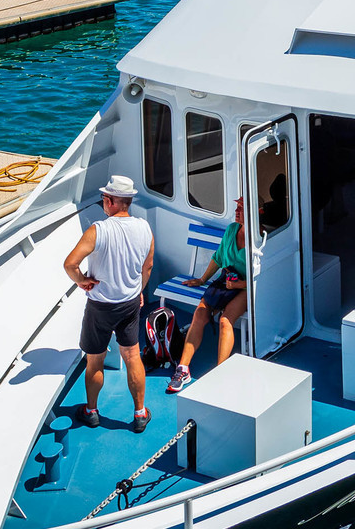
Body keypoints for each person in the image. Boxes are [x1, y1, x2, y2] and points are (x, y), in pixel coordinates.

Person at [64, 174, 156, 429]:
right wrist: (139, 290)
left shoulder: (98, 230)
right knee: (132, 356)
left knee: (95, 359)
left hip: (100, 306)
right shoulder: (145, 228)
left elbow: (70, 264)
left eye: (105, 198)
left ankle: (91, 411)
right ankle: (139, 414)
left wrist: (82, 281)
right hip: (129, 303)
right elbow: (147, 267)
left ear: (112, 201)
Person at [168, 197, 248, 393]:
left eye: (242, 208)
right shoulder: (231, 230)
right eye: (237, 206)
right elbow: (219, 258)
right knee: (200, 314)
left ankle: (221, 372)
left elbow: (264, 277)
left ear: (255, 211)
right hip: (227, 280)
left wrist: (239, 284)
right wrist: (203, 279)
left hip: (248, 286)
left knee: (225, 321)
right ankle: (183, 369)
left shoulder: (259, 238)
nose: (236, 210)